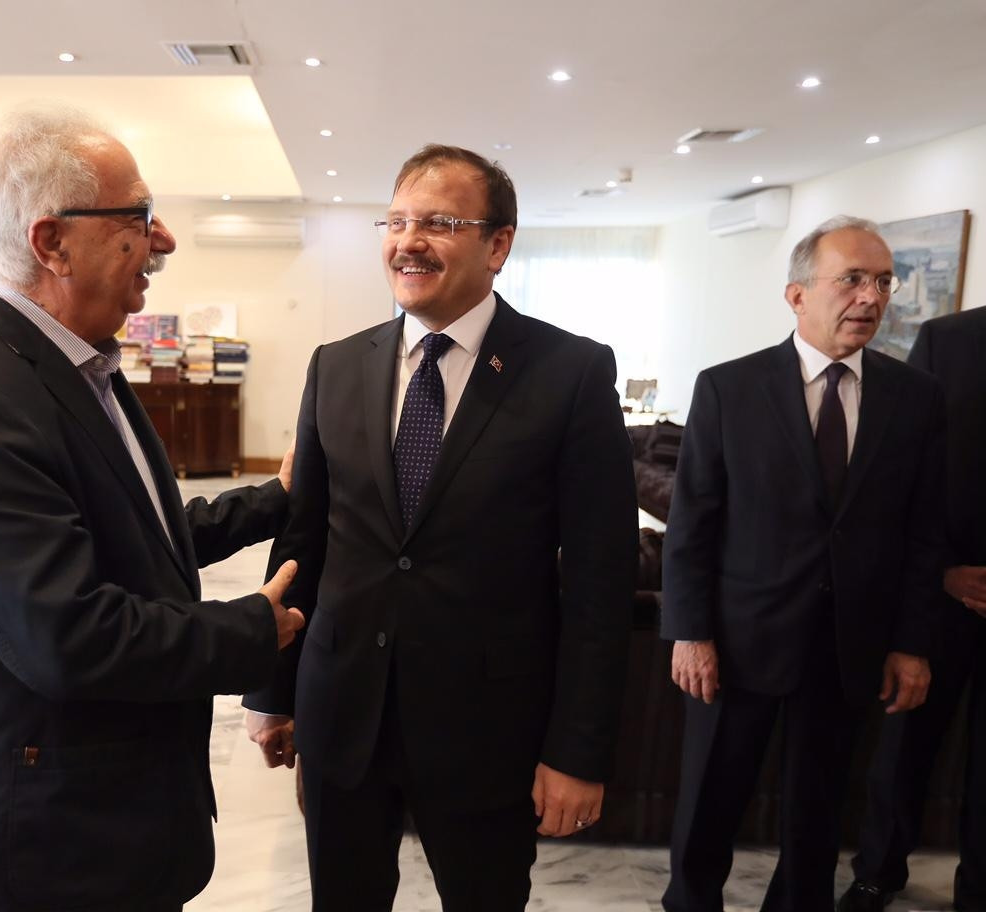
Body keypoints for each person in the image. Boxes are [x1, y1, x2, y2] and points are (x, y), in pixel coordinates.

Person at [0, 103, 305, 912]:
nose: (164, 240)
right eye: (139, 216)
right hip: (49, 853)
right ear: (53, 243)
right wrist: (253, 630)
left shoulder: (79, 369)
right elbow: (68, 637)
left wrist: (274, 501)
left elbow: (139, 537)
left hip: (117, 822)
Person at [243, 144, 639, 911]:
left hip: (488, 730)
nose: (408, 241)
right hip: (342, 714)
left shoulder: (571, 373)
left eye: (439, 223)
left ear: (498, 244)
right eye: (396, 222)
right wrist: (273, 690)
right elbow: (303, 542)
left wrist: (578, 751)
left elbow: (601, 577)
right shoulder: (335, 366)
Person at [661, 215, 946, 911]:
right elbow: (692, 524)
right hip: (737, 644)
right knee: (708, 810)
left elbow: (923, 533)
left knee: (816, 822)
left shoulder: (915, 398)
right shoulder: (729, 388)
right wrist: (689, 632)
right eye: (851, 279)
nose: (871, 297)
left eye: (884, 281)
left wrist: (911, 644)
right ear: (797, 295)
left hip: (849, 648)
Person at [839, 305, 986, 912]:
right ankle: (877, 871)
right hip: (939, 588)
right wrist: (942, 572)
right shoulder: (949, 340)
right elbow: (904, 472)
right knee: (905, 743)